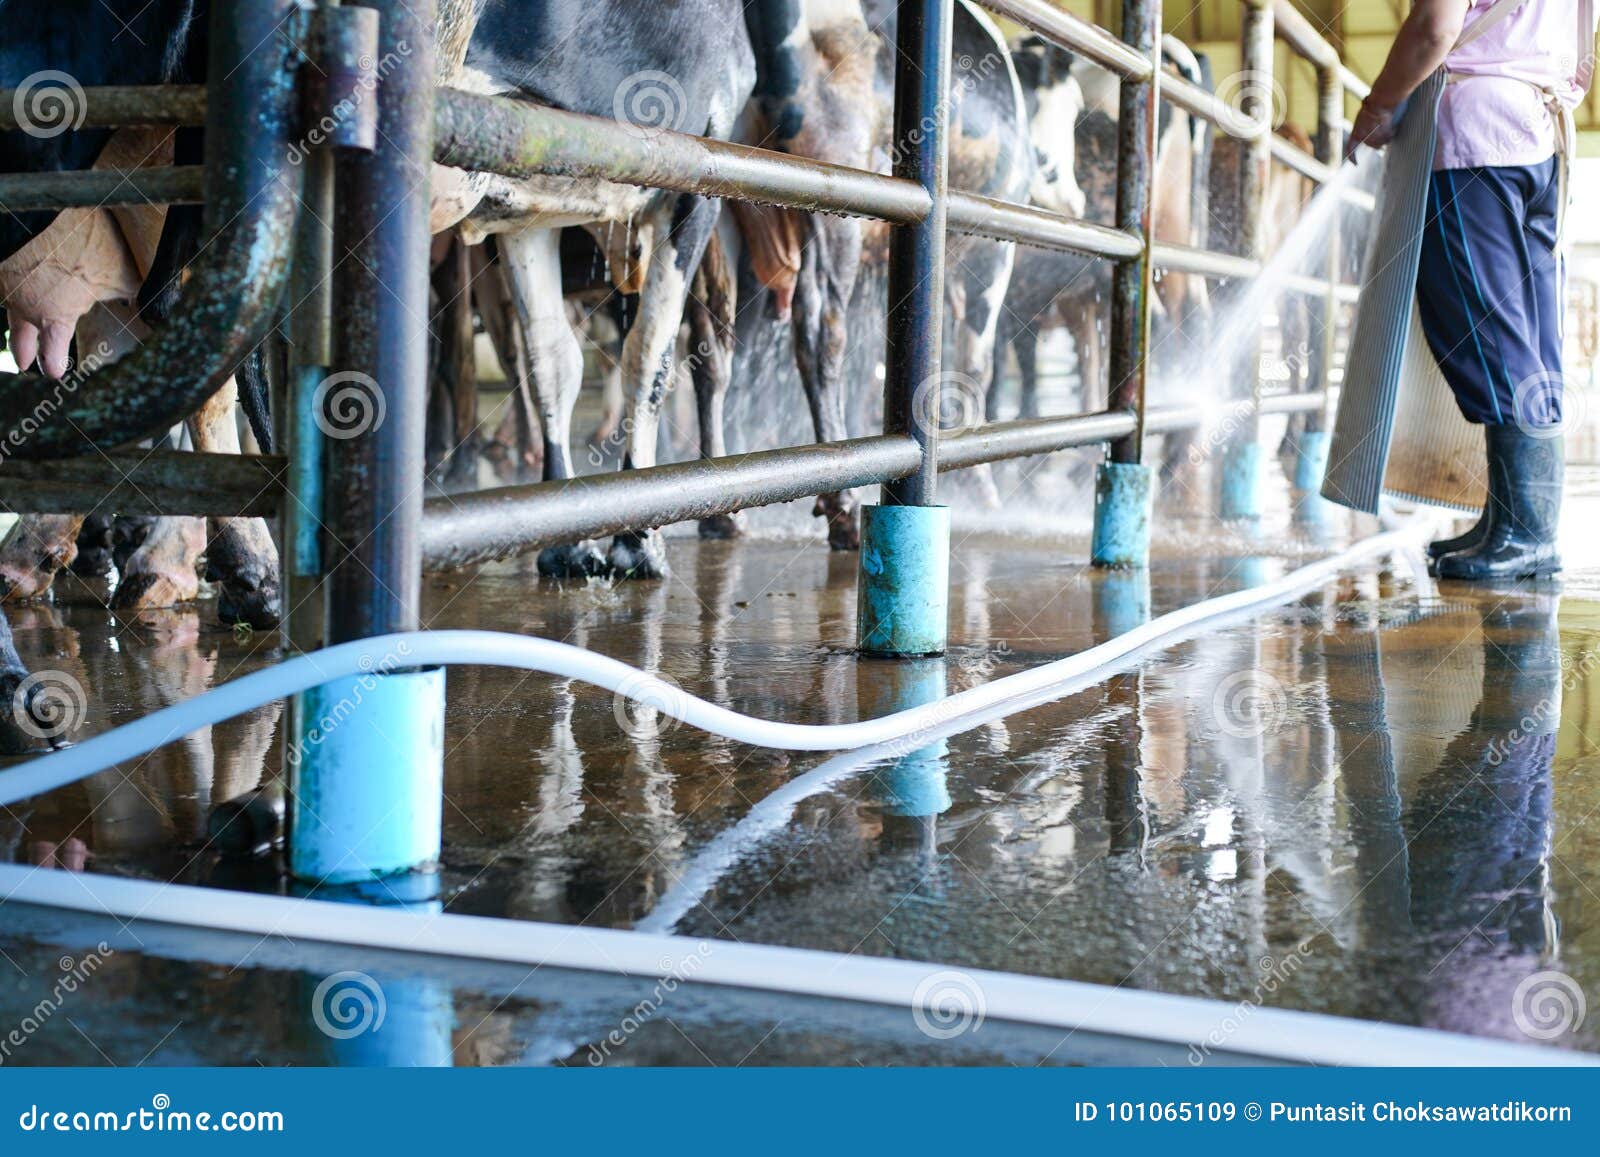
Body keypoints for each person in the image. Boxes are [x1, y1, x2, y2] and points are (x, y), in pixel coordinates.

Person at [1348, 0, 1596, 580]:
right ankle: (1513, 520)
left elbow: (1436, 26)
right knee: (1531, 337)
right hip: (1538, 137)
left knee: (1486, 331)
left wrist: (1378, 105)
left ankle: (1527, 532)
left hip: (1474, 140)